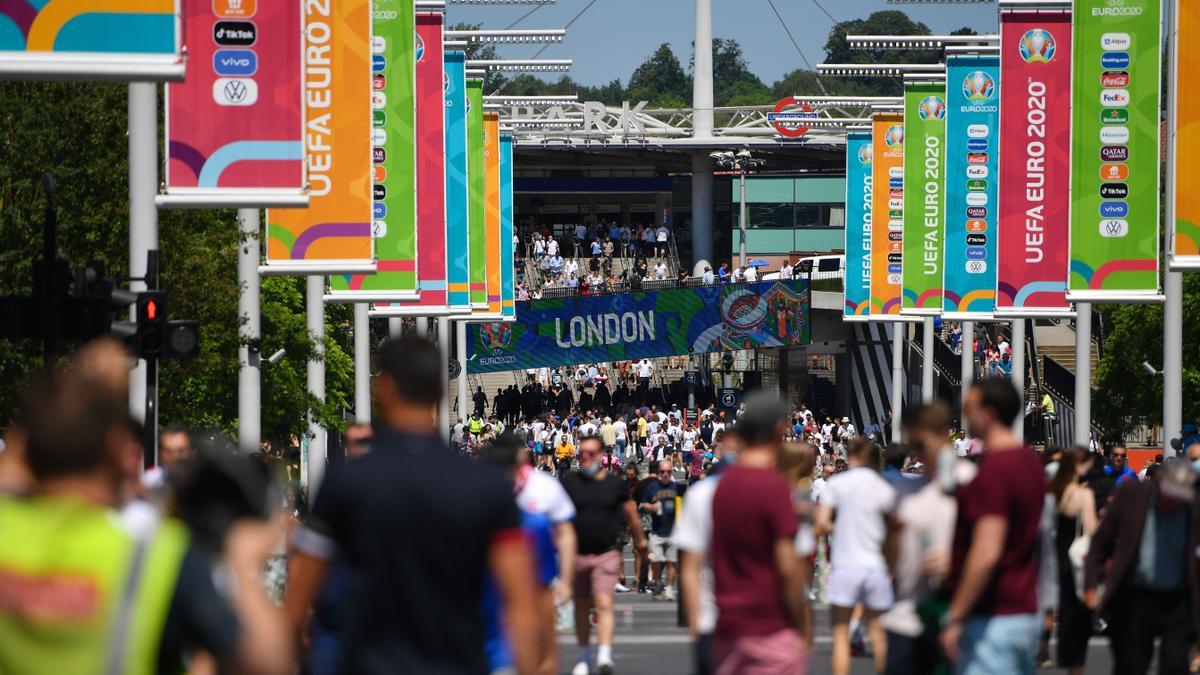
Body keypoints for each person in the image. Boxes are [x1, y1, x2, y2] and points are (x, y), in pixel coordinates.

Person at [0, 343, 293, 675]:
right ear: (118, 451)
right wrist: (242, 561)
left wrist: (78, 394)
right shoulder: (156, 554)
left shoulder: (5, 530)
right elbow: (266, 662)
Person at [286, 336, 538, 674]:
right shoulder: (487, 487)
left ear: (383, 388)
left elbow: (300, 599)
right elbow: (521, 606)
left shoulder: (347, 483)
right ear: (440, 391)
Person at [939, 379, 1045, 674]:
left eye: (969, 407)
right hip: (1023, 609)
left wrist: (955, 615)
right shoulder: (1030, 462)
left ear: (989, 412)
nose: (964, 414)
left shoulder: (995, 470)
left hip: (992, 616)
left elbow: (987, 550)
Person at [708, 392, 809, 674]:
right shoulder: (773, 487)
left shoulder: (722, 486)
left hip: (728, 628)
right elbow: (788, 567)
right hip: (769, 626)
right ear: (779, 428)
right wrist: (800, 624)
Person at [882, 402, 976, 675]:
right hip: (904, 617)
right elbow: (889, 560)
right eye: (912, 445)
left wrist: (955, 562)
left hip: (954, 615)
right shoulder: (902, 488)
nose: (916, 453)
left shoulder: (969, 482)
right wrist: (890, 533)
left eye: (921, 444)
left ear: (945, 435)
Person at [1084, 452, 1200, 674]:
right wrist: (1091, 583)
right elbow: (1101, 541)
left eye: (1179, 498)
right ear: (1159, 485)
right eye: (1169, 496)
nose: (1173, 503)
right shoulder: (1132, 495)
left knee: (1176, 664)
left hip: (1176, 599)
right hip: (1136, 595)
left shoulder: (1191, 506)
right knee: (1131, 664)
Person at [562, 436, 648, 675]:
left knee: (603, 602)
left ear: (601, 455)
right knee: (581, 606)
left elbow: (630, 511)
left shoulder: (614, 484)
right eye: (582, 453)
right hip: (578, 553)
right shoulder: (570, 482)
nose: (585, 457)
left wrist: (640, 538)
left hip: (607, 553)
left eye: (590, 453)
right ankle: (583, 656)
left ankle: (604, 654)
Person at [815, 437, 897, 675]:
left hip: (845, 564)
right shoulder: (882, 487)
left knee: (840, 635)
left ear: (853, 457)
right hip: (875, 565)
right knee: (878, 635)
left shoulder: (837, 484)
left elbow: (821, 523)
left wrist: (839, 531)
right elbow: (894, 529)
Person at [1048, 446, 1098, 675]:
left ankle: (1067, 663)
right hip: (1077, 559)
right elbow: (1091, 530)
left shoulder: (1053, 491)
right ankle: (1076, 667)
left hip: (1055, 556)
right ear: (1079, 465)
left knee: (1064, 614)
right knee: (1079, 617)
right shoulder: (1083, 494)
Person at [640, 460, 684, 601]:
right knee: (653, 557)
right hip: (656, 532)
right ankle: (657, 581)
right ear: (659, 472)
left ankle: (669, 588)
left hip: (673, 533)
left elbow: (684, 507)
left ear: (671, 472)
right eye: (663, 472)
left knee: (672, 561)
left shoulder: (677, 488)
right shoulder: (652, 487)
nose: (665, 474)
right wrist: (651, 507)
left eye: (668, 472)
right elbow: (642, 504)